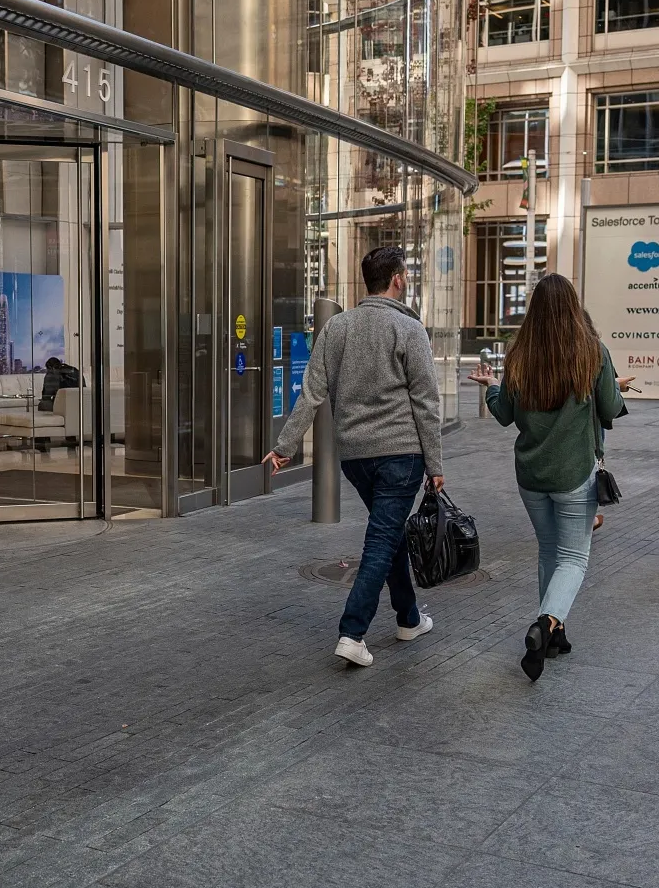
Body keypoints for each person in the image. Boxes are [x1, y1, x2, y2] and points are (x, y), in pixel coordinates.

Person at [263, 245, 443, 668]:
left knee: (389, 532)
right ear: (397, 279)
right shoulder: (409, 329)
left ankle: (409, 619)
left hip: (356, 458)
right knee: (381, 539)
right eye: (405, 275)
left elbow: (312, 392)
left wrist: (285, 446)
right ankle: (352, 632)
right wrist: (435, 465)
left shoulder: (337, 327)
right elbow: (426, 403)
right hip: (401, 454)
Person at [471, 274, 625, 682]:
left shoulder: (519, 354)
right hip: (574, 473)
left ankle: (553, 635)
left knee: (548, 551)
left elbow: (504, 414)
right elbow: (610, 406)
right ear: (573, 307)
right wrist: (614, 389)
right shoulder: (593, 352)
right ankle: (547, 622)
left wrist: (491, 387)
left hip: (531, 474)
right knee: (573, 557)